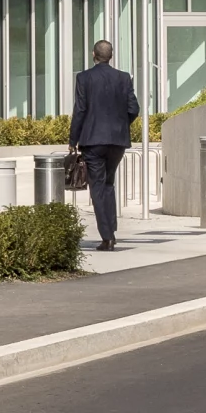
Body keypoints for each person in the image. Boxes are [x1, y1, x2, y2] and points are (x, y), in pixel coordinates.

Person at [68, 37, 139, 253]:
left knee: (97, 188)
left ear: (93, 55)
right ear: (111, 56)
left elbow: (80, 110)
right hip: (117, 142)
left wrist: (73, 140)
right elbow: (133, 108)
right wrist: (120, 126)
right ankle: (112, 231)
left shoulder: (84, 78)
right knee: (108, 184)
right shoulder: (124, 78)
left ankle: (107, 237)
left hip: (93, 141)